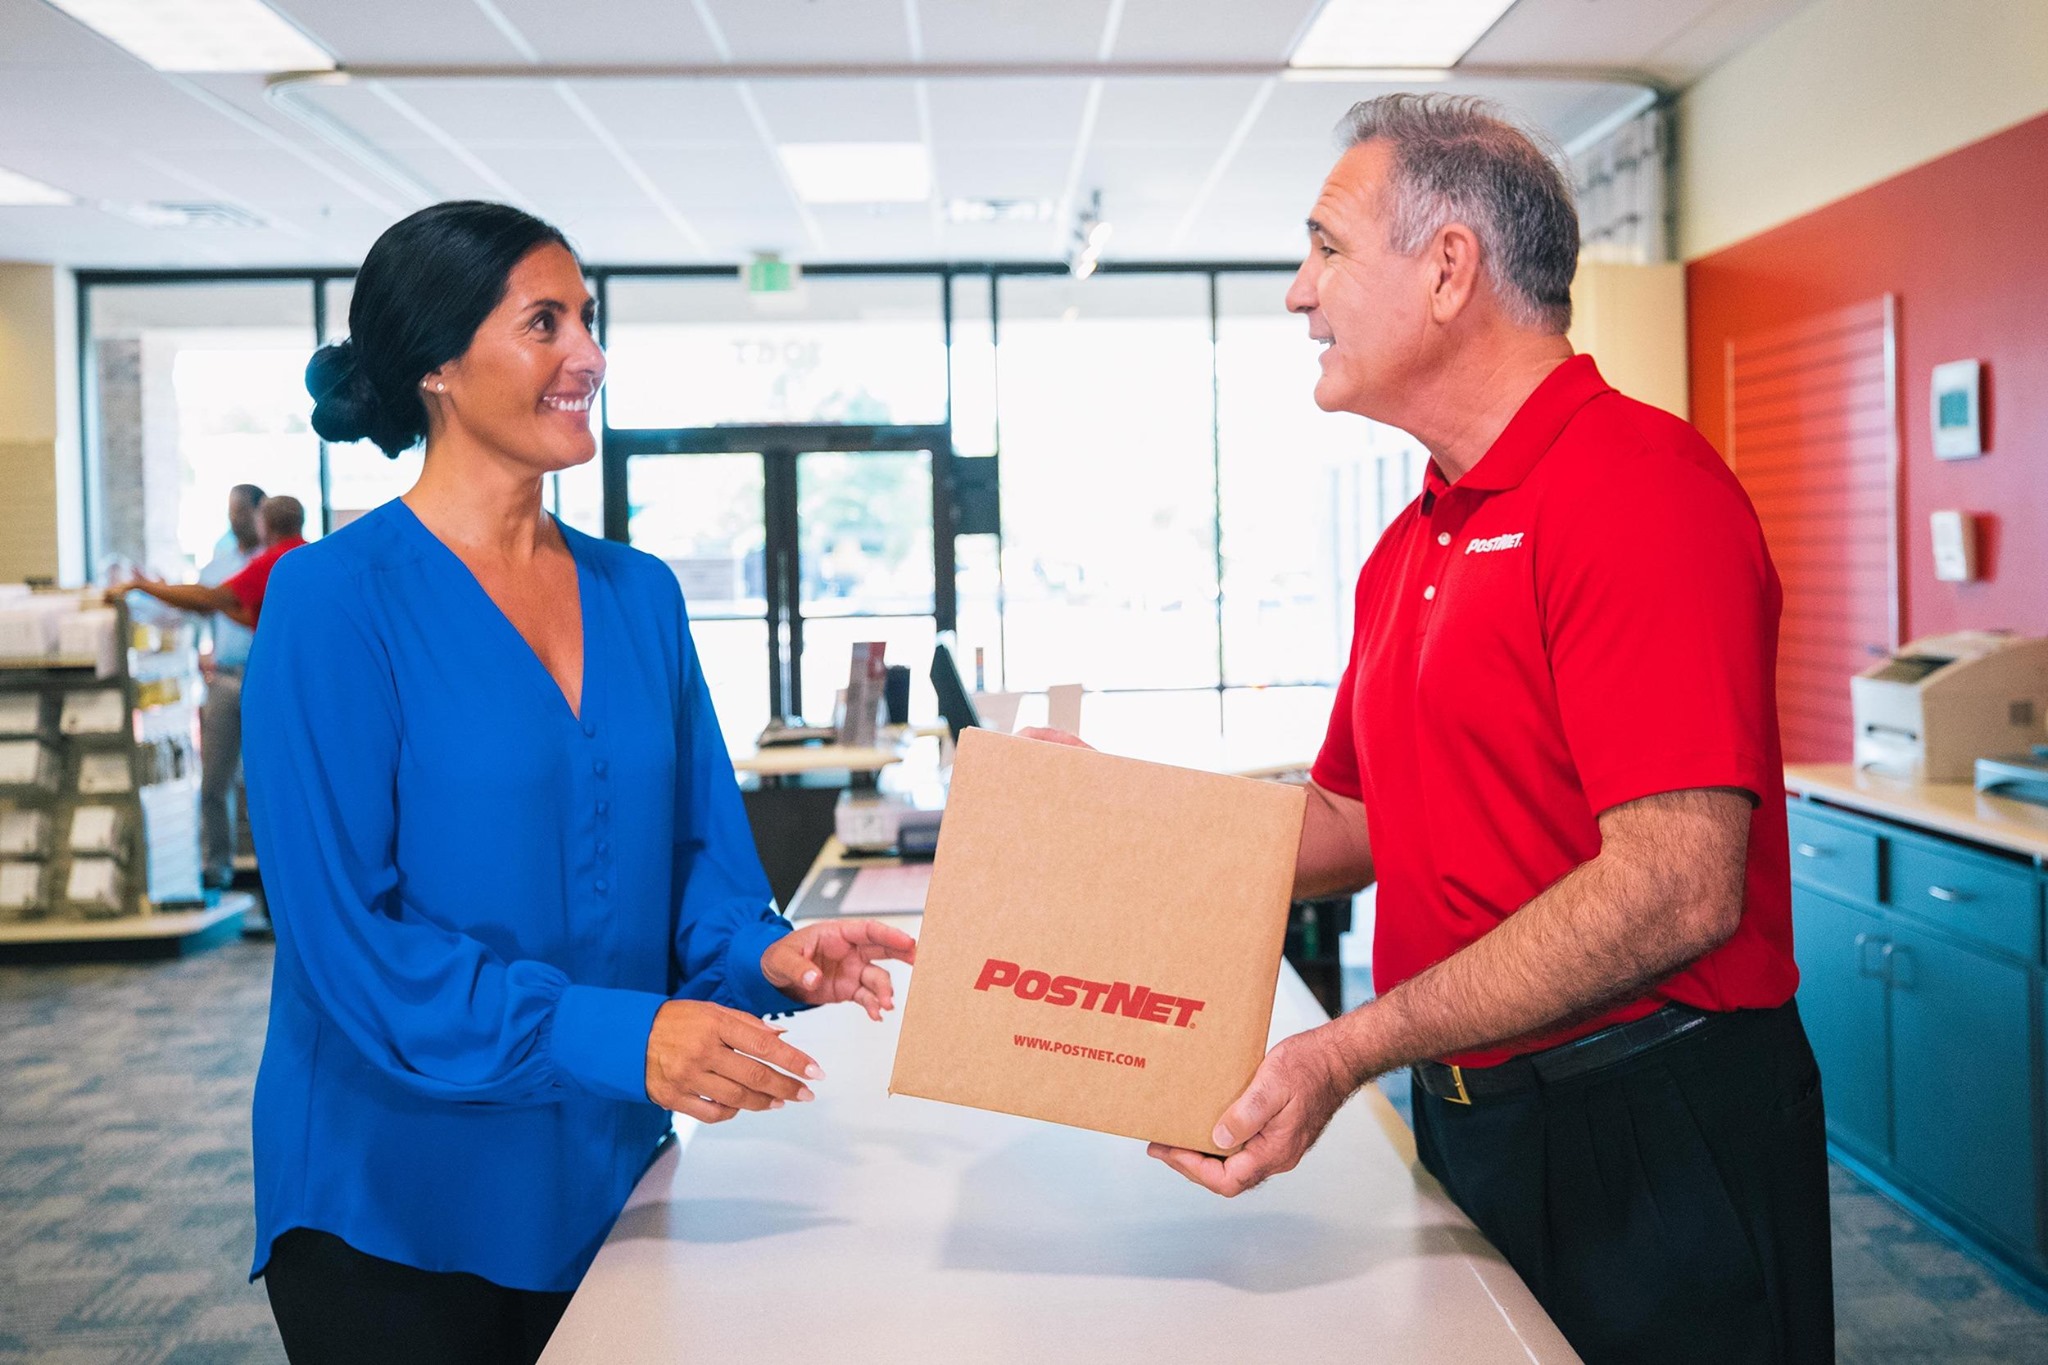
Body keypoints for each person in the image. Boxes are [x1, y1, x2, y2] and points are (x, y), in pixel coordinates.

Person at [1033, 94, 1828, 1364]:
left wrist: (1345, 1049)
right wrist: (1122, 814)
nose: (1299, 292)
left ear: (1448, 268)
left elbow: (1676, 889)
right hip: (1472, 1103)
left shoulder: (1636, 491)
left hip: (1647, 1120)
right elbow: (1352, 820)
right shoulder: (1413, 541)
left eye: (1326, 249)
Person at [239, 201, 917, 1365]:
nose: (589, 357)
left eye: (588, 322)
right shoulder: (332, 600)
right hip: (393, 1203)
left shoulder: (638, 594)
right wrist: (617, 1033)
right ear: (437, 365)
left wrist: (768, 956)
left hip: (607, 1180)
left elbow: (698, 873)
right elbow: (350, 942)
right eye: (543, 323)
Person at [196, 483, 264, 889]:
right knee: (214, 783)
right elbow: (196, 611)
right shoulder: (218, 567)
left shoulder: (275, 562)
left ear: (259, 512)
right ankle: (218, 868)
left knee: (264, 782)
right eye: (230, 510)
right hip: (224, 678)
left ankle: (268, 875)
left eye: (240, 510)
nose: (233, 518)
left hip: (262, 681)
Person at [110, 494, 308, 631]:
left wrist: (142, 585)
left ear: (264, 523)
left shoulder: (273, 562)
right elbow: (248, 615)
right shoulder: (307, 555)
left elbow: (210, 599)